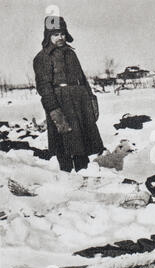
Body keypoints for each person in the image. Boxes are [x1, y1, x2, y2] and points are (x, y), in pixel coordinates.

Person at [33, 16, 104, 172]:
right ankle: (66, 179)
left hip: (80, 101)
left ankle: (84, 173)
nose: (60, 37)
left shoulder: (71, 54)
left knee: (82, 144)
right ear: (48, 36)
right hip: (61, 103)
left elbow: (82, 79)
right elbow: (44, 87)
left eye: (63, 33)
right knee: (64, 145)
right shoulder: (43, 57)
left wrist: (91, 99)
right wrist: (54, 110)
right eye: (56, 34)